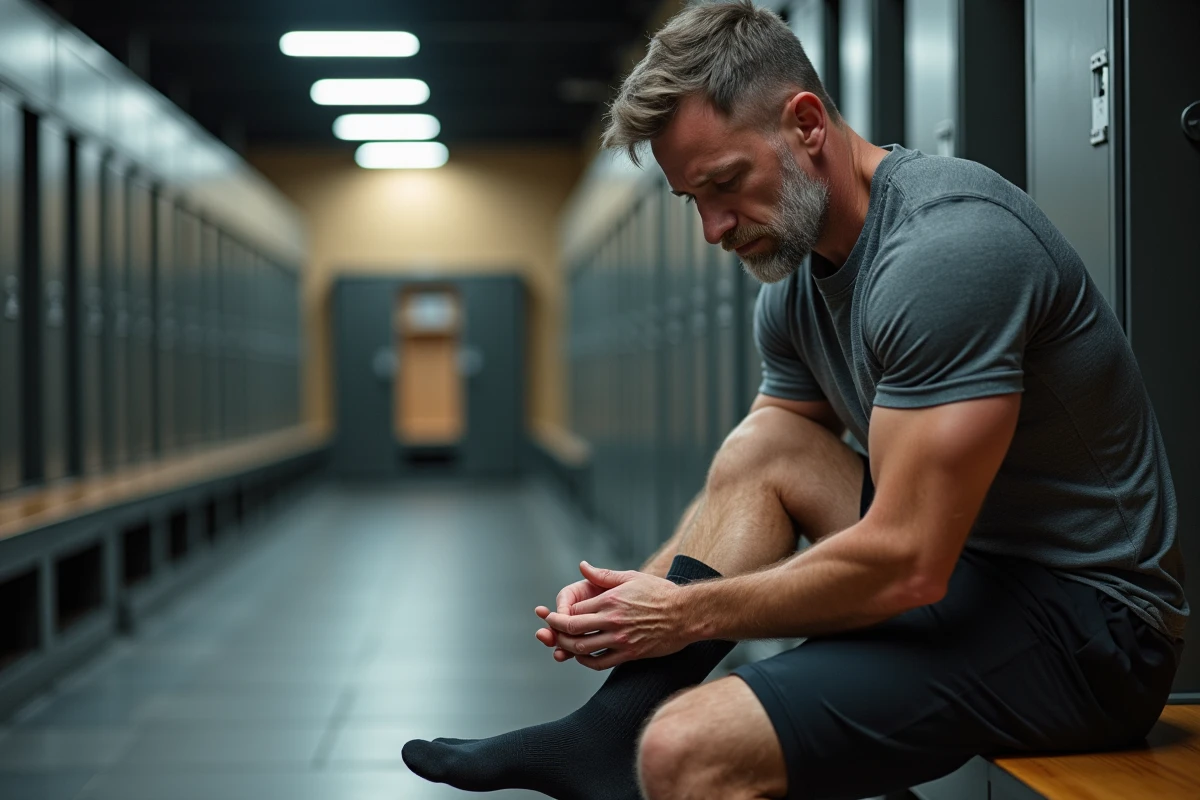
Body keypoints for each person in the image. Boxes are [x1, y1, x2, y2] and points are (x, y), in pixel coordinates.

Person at [403, 2, 1188, 798]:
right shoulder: (794, 286)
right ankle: (608, 730)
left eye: (725, 183)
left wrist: (681, 615)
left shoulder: (945, 251)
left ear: (807, 124)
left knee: (684, 748)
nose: (713, 228)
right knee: (766, 446)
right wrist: (630, 600)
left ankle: (620, 739)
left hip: (1092, 631)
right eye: (692, 199)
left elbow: (907, 562)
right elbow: (758, 471)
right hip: (970, 578)